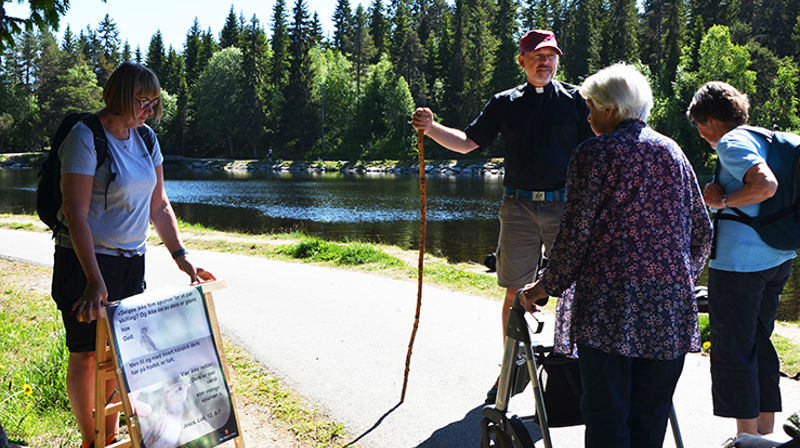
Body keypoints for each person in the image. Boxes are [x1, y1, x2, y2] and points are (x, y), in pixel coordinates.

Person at [520, 63, 712, 448]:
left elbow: (575, 236)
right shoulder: (673, 151)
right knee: (651, 414)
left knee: (608, 415)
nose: (588, 116)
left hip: (610, 305)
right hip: (668, 308)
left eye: (590, 107)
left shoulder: (594, 154)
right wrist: (677, 278)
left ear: (610, 109)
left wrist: (545, 287)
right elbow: (703, 231)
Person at [411, 29, 593, 402]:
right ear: (522, 60)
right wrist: (431, 129)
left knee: (574, 289)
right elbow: (466, 143)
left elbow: (597, 144)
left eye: (551, 56)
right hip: (518, 208)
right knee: (514, 289)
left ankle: (576, 367)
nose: (546, 62)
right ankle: (512, 365)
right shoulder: (504, 103)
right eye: (538, 56)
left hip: (565, 208)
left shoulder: (577, 100)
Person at [52, 61, 215, 448]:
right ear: (119, 97)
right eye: (142, 101)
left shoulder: (146, 139)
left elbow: (159, 205)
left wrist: (182, 257)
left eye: (154, 102)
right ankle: (91, 439)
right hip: (85, 261)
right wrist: (94, 279)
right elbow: (75, 212)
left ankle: (108, 435)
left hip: (130, 261)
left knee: (117, 356)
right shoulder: (85, 136)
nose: (149, 110)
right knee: (87, 353)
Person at [687, 81, 796, 438]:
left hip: (740, 267)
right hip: (779, 256)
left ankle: (745, 439)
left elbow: (766, 186)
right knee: (759, 341)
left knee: (733, 347)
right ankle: (763, 432)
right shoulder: (765, 136)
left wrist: (720, 202)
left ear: (711, 119)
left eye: (701, 128)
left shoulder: (732, 141)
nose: (703, 136)